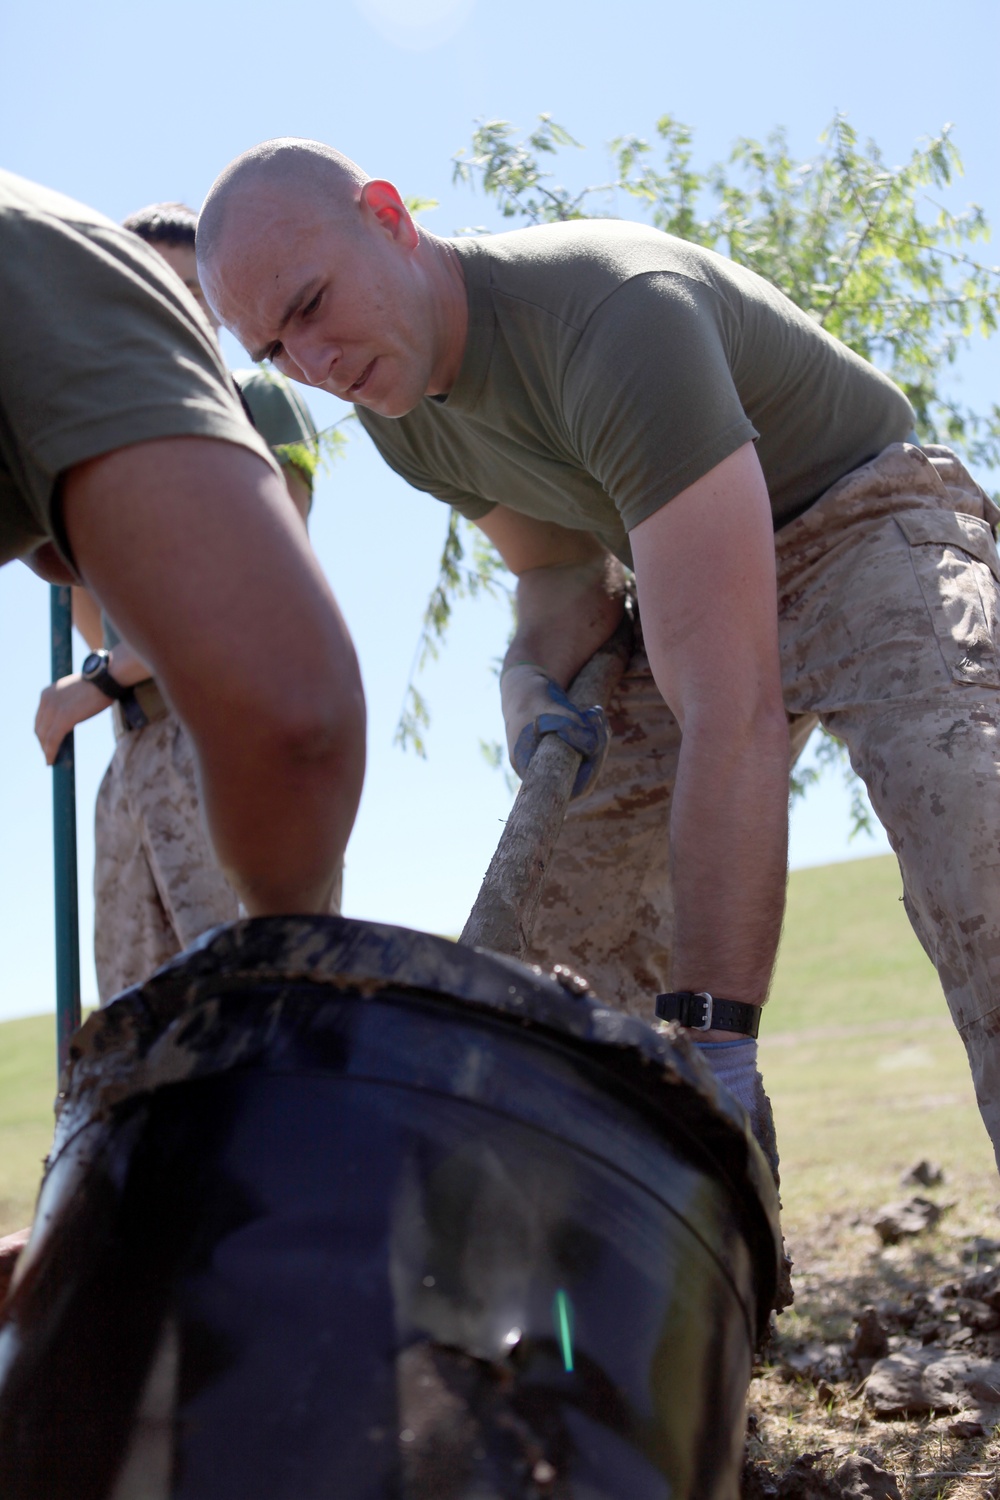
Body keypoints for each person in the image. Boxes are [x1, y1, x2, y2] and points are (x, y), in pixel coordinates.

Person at [196, 137, 1000, 1176]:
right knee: (548, 944)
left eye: (309, 305)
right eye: (271, 352)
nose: (313, 366)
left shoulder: (615, 314)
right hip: (678, 562)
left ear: (388, 216)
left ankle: (708, 1099)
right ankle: (630, 1282)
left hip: (861, 522)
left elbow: (733, 706)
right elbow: (559, 575)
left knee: (969, 813)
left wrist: (713, 1048)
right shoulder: (403, 423)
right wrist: (526, 676)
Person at [2, 165, 365, 944]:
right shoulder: (74, 420)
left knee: (250, 991)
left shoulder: (254, 401)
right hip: (132, 747)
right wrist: (108, 670)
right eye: (147, 289)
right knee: (142, 1010)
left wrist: (95, 679)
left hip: (214, 732)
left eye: (186, 295)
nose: (167, 316)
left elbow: (243, 592)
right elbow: (99, 606)